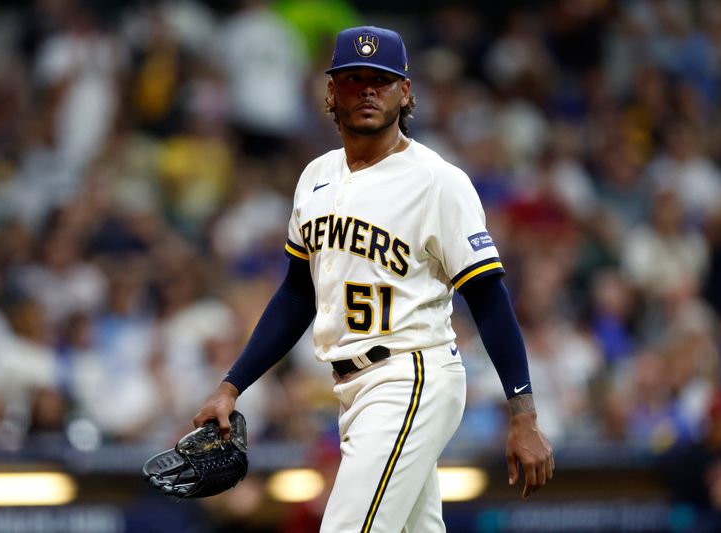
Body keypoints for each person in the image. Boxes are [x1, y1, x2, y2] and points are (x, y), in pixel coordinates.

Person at [195, 25, 554, 532]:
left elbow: (490, 299)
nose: (367, 90)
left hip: (410, 376)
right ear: (330, 92)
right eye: (353, 78)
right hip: (353, 390)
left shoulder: (437, 181)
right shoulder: (314, 177)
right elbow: (298, 292)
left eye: (381, 80)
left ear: (404, 92)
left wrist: (525, 415)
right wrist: (232, 386)